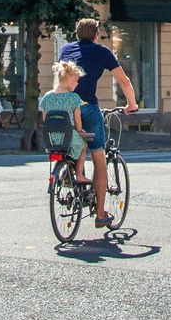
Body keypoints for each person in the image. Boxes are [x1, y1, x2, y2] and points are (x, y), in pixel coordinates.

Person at [57, 18, 138, 229]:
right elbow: (124, 80)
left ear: (76, 34)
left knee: (76, 138)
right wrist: (131, 103)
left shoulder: (65, 49)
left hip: (63, 106)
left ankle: (70, 170)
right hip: (87, 107)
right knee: (99, 156)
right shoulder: (102, 51)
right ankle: (101, 214)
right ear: (96, 34)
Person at [38, 60, 87, 164]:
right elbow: (78, 122)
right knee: (83, 145)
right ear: (68, 79)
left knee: (60, 151)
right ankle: (79, 175)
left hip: (52, 140)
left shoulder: (47, 97)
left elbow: (44, 119)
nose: (77, 83)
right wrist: (81, 131)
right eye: (76, 80)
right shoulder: (74, 98)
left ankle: (59, 175)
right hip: (70, 138)